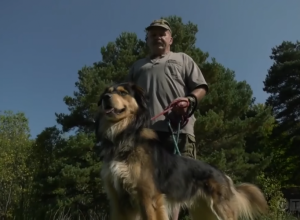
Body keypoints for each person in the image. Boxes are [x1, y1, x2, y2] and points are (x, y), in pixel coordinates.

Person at [126, 19, 208, 220]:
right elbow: (126, 99)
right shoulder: (138, 66)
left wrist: (189, 100)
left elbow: (201, 87)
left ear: (170, 38)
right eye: (153, 34)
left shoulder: (182, 59)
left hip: (179, 130)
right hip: (145, 134)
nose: (157, 37)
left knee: (176, 182)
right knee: (145, 183)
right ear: (147, 39)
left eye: (162, 33)